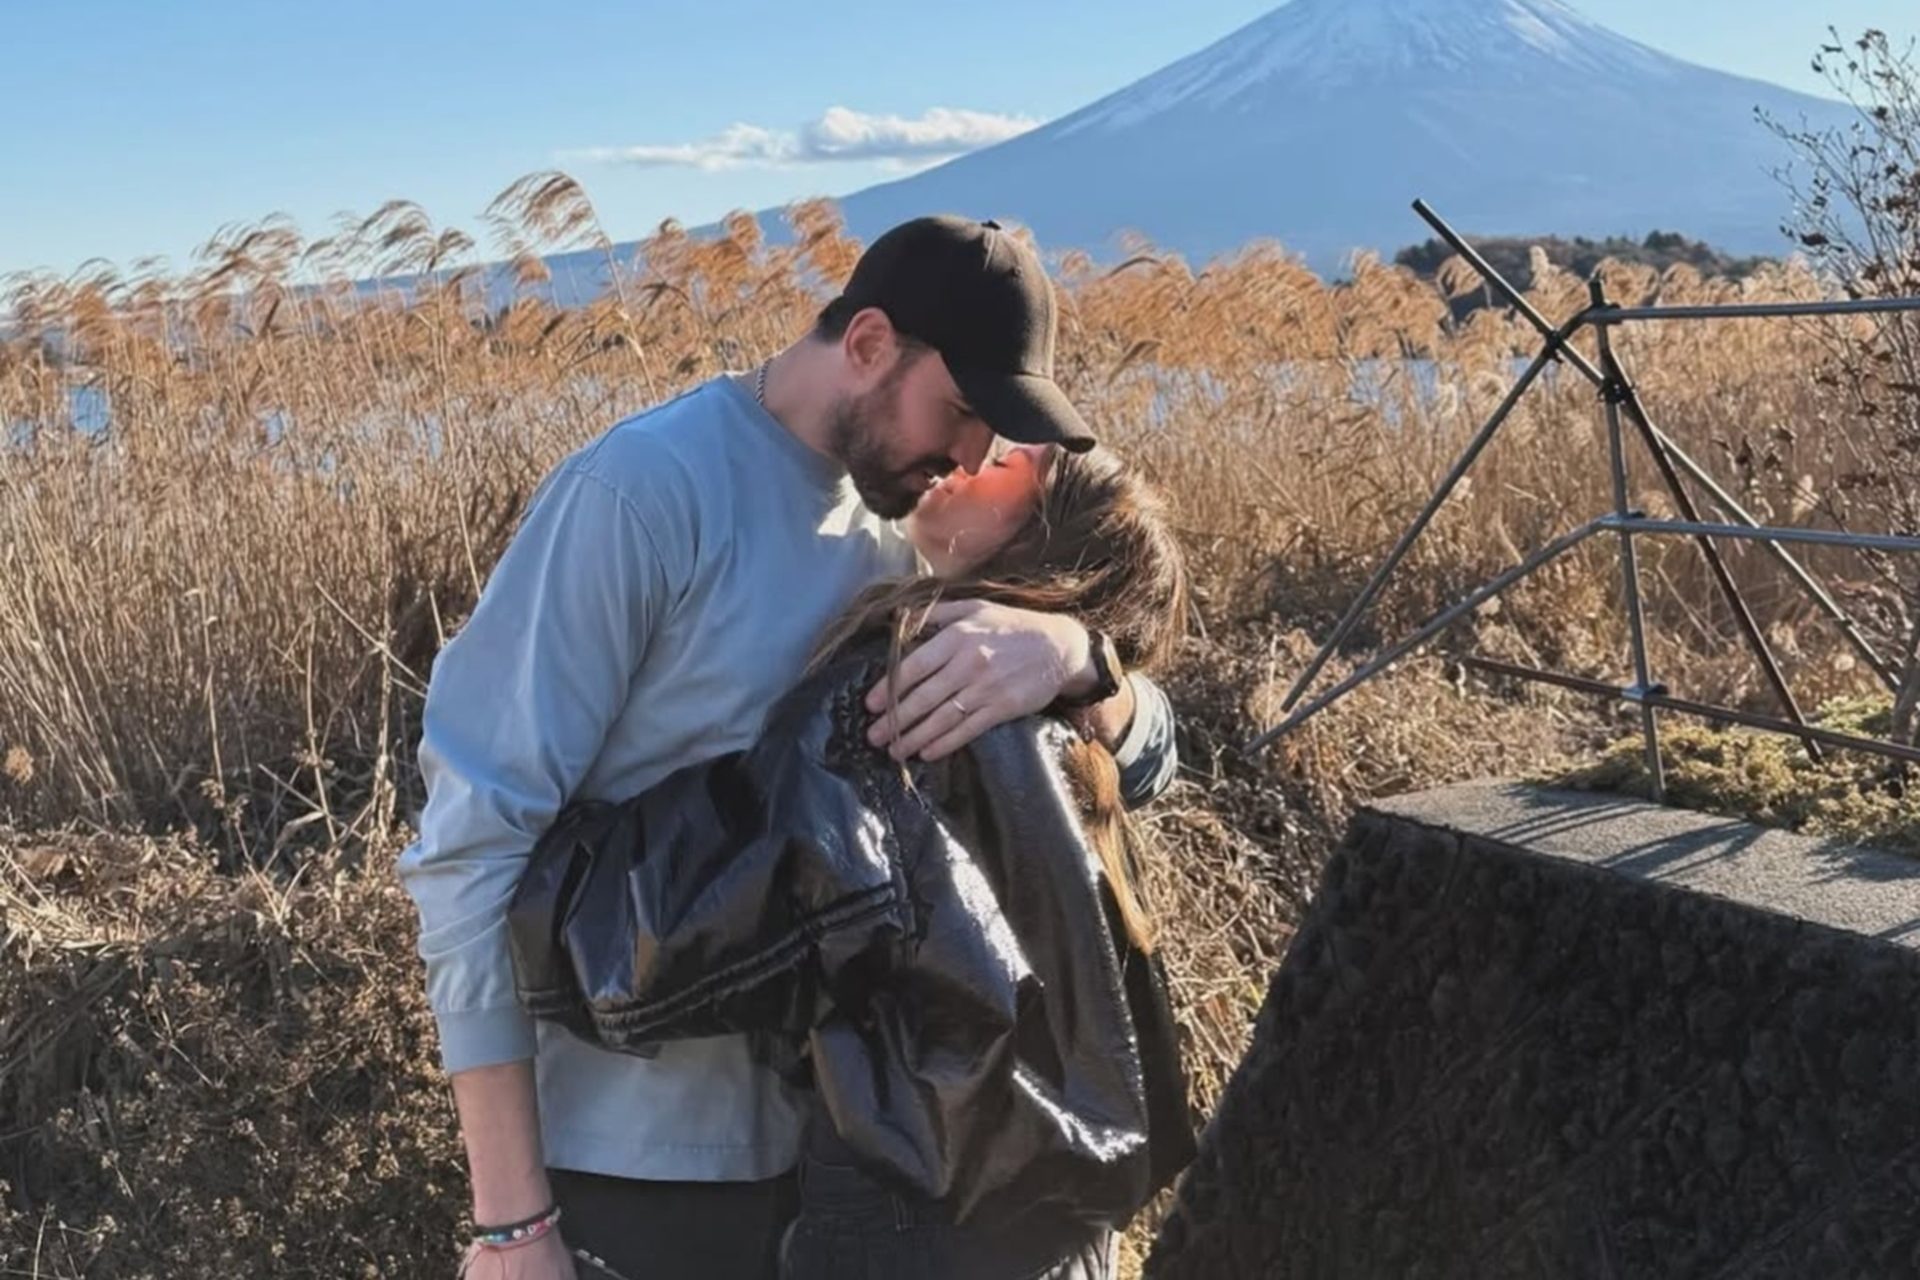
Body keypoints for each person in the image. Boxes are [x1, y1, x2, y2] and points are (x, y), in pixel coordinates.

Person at [397, 215, 1183, 1280]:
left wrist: (1075, 653)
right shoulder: (641, 494)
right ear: (866, 345)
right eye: (959, 412)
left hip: (858, 1179)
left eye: (990, 434)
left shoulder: (912, 525)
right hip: (644, 1172)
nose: (971, 456)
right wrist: (510, 1219)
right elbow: (470, 846)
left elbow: (1139, 765)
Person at [507, 439, 1197, 1280]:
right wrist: (1085, 656)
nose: (985, 451)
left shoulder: (904, 704)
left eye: (1023, 465)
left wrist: (522, 857)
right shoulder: (1065, 727)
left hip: (917, 1225)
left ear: (1035, 546)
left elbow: (677, 931)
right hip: (1060, 1226)